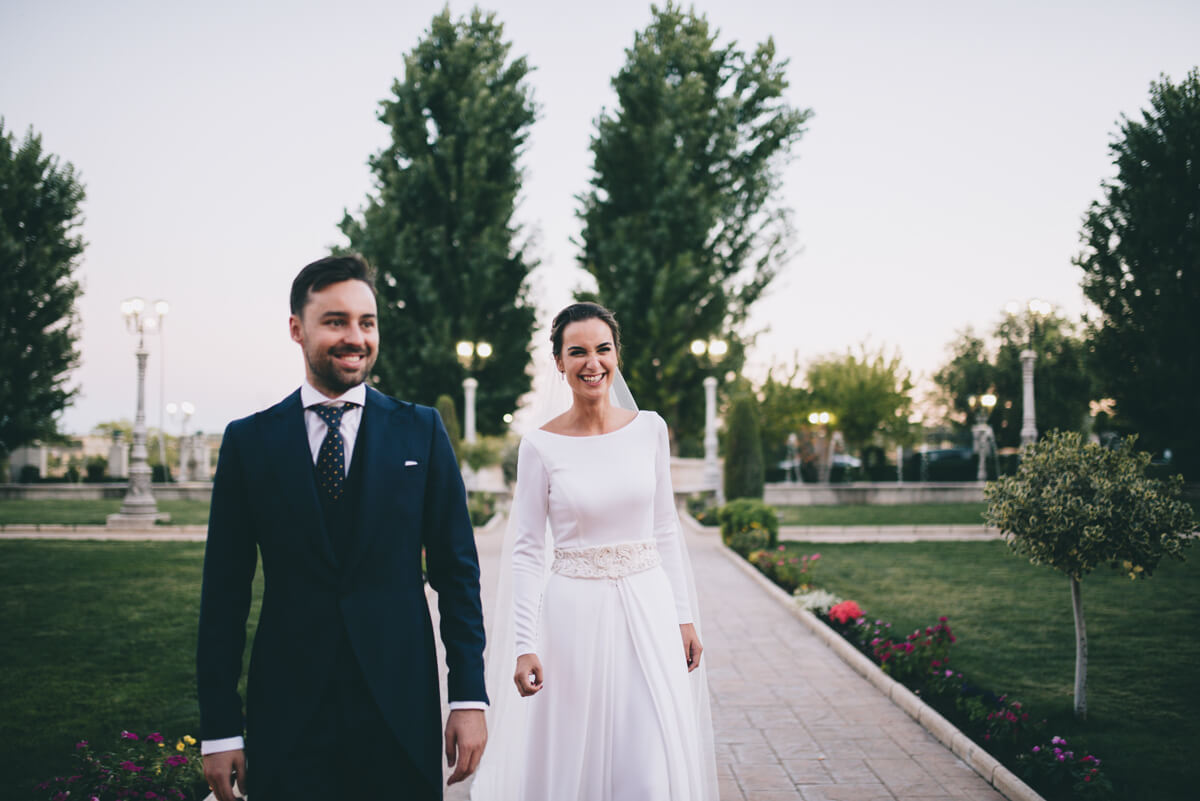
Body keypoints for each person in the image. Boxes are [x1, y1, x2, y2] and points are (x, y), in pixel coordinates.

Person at [196, 254, 488, 801]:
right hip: (287, 706)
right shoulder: (248, 442)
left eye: (366, 322)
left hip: (400, 701)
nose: (355, 337)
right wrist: (219, 726)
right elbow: (224, 595)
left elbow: (456, 573)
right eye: (335, 321)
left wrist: (468, 696)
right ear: (296, 329)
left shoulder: (421, 431)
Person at [470, 302, 718, 801]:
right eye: (577, 351)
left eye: (603, 349)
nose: (593, 363)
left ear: (616, 355)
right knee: (574, 753)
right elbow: (524, 550)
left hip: (647, 608)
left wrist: (683, 617)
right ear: (558, 363)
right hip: (572, 616)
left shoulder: (650, 428)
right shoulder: (540, 445)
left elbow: (666, 527)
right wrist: (524, 644)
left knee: (647, 761)